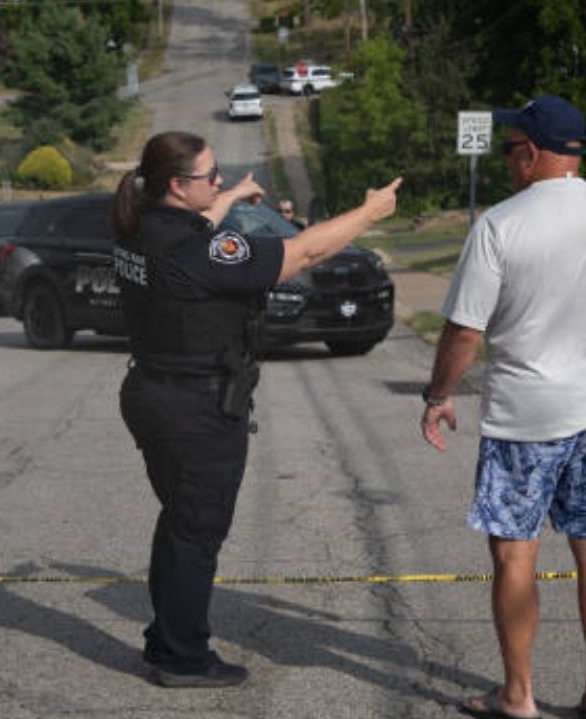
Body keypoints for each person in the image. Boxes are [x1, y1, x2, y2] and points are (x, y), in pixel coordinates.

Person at [111, 131, 402, 688]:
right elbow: (306, 251)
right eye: (210, 176)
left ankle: (165, 639)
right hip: (196, 406)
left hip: (152, 390)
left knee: (179, 521)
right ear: (177, 185)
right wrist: (369, 211)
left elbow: (198, 222)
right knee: (198, 530)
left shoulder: (139, 228)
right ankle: (181, 657)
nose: (217, 182)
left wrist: (230, 195)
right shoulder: (199, 252)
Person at [419, 95, 586, 719]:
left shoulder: (500, 225)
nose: (507, 161)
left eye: (511, 150)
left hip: (523, 418)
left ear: (531, 153)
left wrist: (439, 395)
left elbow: (465, 333)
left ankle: (519, 696)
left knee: (514, 554)